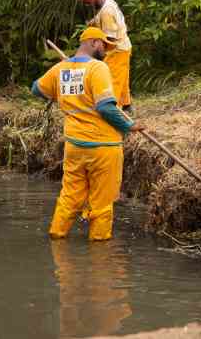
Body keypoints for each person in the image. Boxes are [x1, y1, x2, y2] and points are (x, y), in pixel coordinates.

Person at [32, 27, 144, 241]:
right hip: (103, 147)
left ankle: (57, 236)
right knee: (102, 203)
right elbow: (106, 108)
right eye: (104, 45)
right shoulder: (97, 68)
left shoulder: (61, 69)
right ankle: (99, 253)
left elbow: (36, 89)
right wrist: (129, 126)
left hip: (74, 146)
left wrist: (61, 89)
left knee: (69, 197)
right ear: (93, 42)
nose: (106, 50)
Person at [82, 0, 133, 113]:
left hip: (117, 49)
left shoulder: (106, 13)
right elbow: (101, 18)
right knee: (122, 77)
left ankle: (113, 111)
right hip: (124, 46)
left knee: (113, 80)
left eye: (89, 3)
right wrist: (93, 22)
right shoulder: (107, 1)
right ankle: (126, 105)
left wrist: (98, 51)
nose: (88, 5)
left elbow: (111, 38)